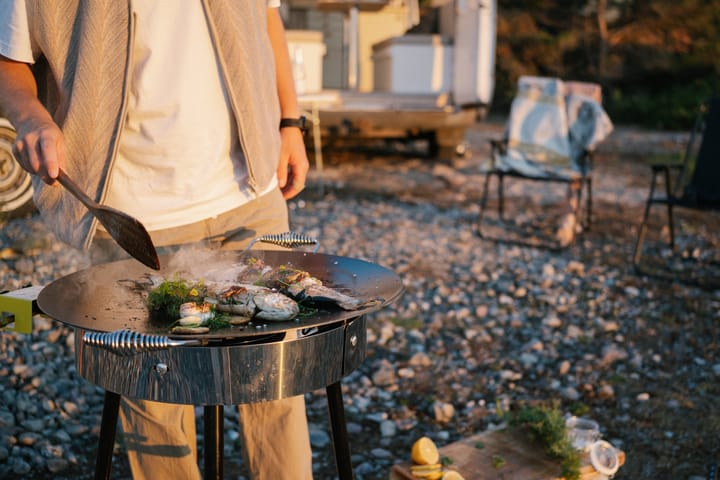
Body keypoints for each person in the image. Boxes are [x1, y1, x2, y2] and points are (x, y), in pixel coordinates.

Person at [0, 1, 312, 479]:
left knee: (272, 380)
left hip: (252, 190)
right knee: (153, 397)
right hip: (130, 213)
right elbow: (9, 56)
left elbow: (266, 16)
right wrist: (30, 117)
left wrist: (290, 123)